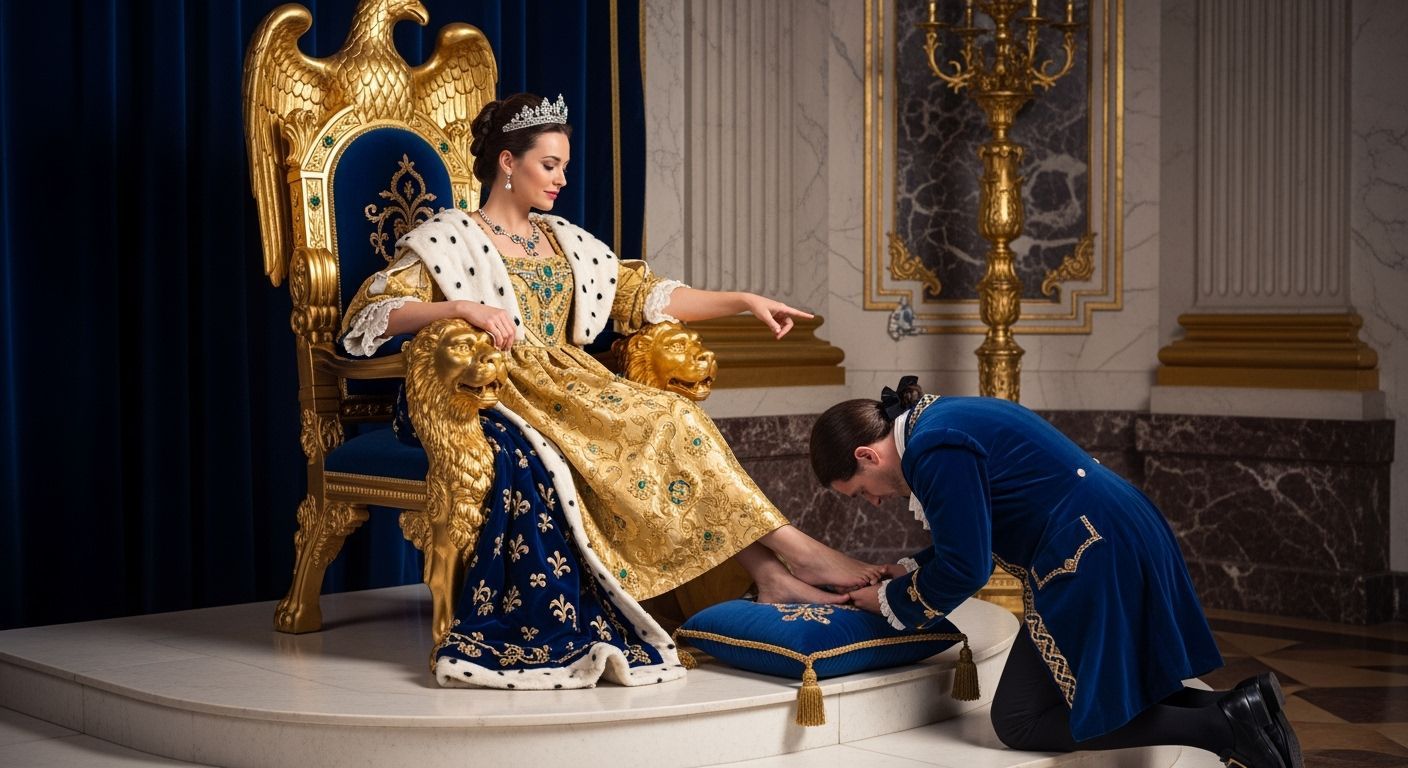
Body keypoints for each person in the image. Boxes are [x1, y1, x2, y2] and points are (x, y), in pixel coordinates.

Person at [342, 92, 883, 688]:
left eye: (564, 167)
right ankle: (794, 551)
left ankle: (772, 567)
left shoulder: (562, 239)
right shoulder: (452, 239)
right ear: (506, 162)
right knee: (656, 428)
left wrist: (743, 302)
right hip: (502, 389)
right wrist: (462, 307)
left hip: (574, 385)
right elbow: (372, 313)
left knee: (673, 420)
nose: (561, 179)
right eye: (549, 165)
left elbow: (645, 296)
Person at [808, 378, 1303, 768]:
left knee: (1019, 720)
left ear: (866, 455)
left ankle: (1224, 727)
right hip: (1116, 527)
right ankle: (1247, 706)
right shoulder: (935, 421)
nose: (874, 501)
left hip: (1088, 549)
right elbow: (970, 535)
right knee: (1119, 687)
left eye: (861, 491)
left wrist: (892, 602)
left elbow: (968, 566)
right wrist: (911, 570)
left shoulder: (933, 449)